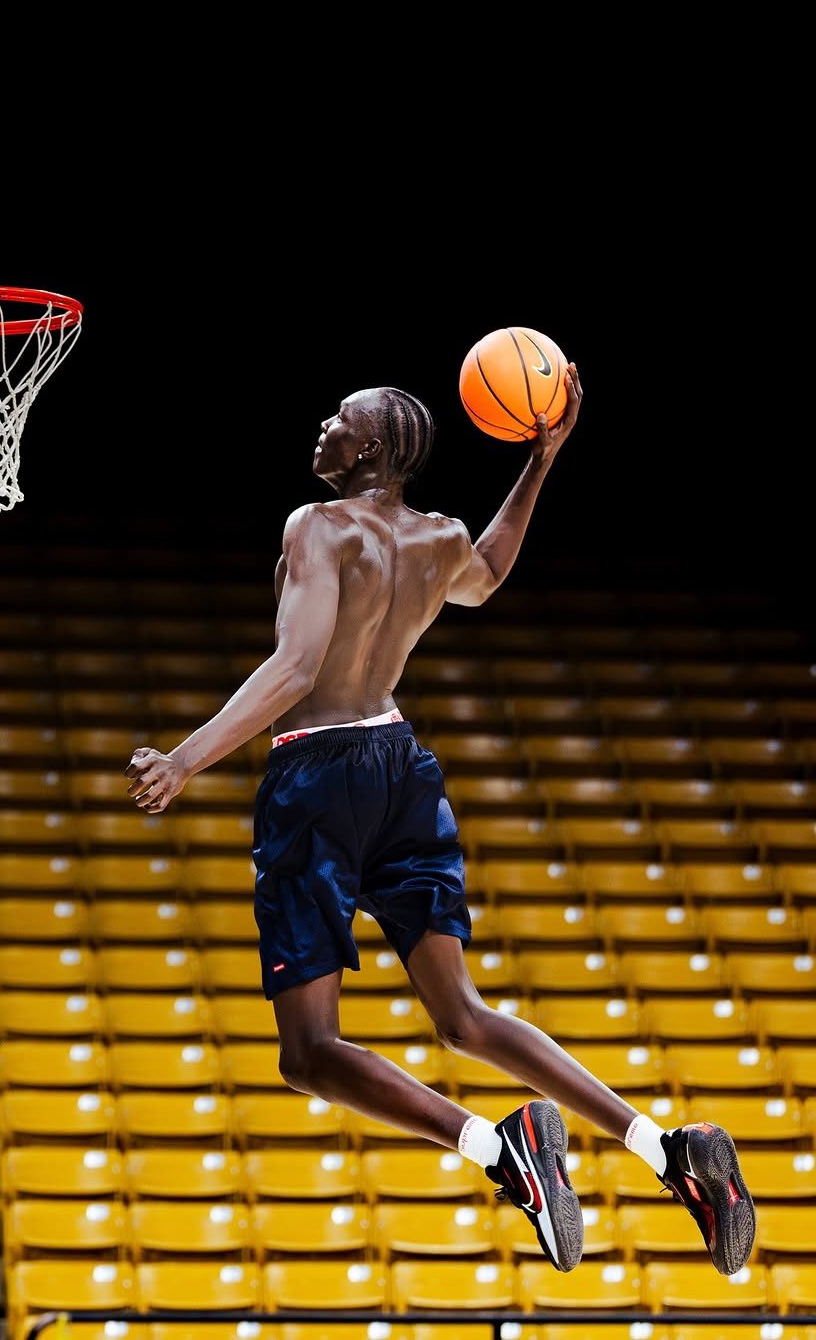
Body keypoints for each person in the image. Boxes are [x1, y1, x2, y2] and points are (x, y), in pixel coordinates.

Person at [124, 366, 756, 1277]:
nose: (325, 425)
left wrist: (185, 759)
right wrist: (539, 463)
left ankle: (500, 1150)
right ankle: (668, 1149)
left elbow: (297, 668)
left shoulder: (318, 525)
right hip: (402, 767)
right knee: (462, 1015)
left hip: (319, 776)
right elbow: (486, 575)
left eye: (341, 419)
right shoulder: (440, 535)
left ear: (372, 448)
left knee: (308, 1053)